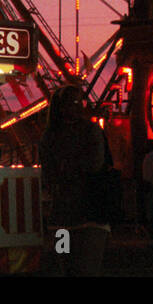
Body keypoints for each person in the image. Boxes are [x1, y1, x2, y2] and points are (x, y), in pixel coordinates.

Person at [39, 85, 112, 276]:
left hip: (64, 215)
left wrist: (63, 170)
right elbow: (96, 164)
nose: (80, 106)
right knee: (86, 266)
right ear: (63, 107)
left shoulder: (50, 136)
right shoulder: (91, 131)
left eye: (81, 102)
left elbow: (48, 172)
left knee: (67, 264)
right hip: (90, 214)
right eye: (76, 102)